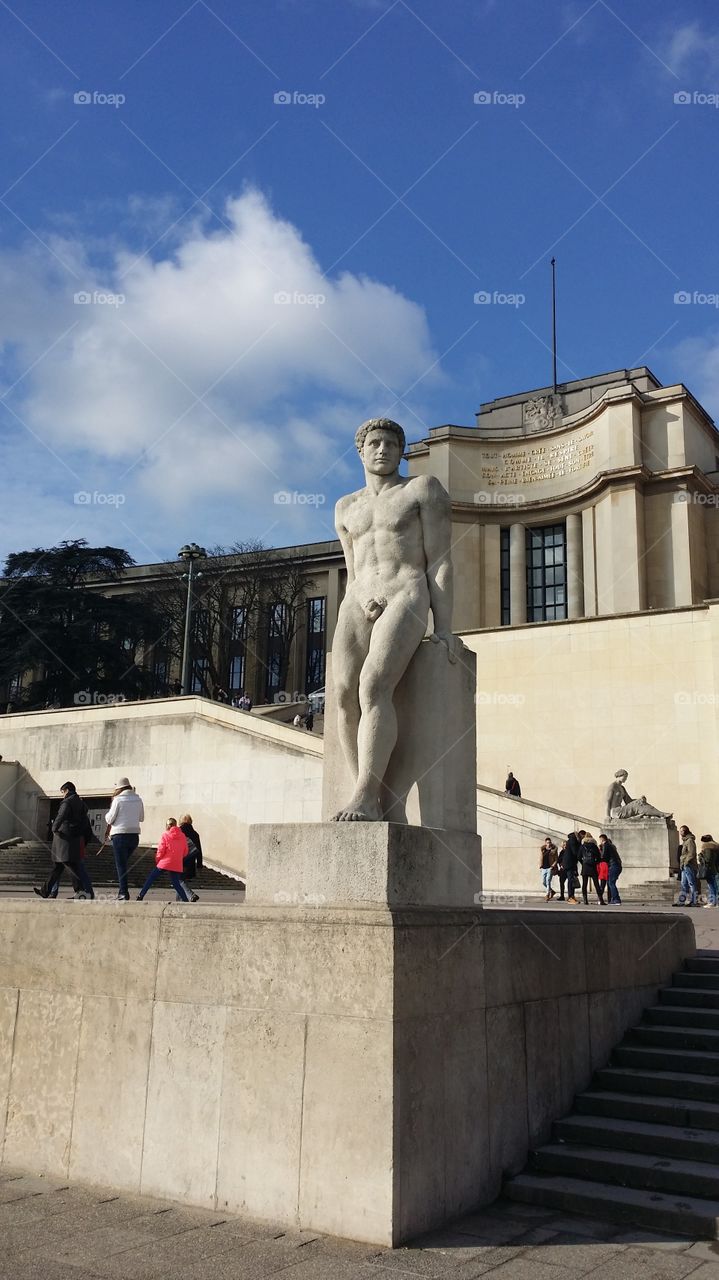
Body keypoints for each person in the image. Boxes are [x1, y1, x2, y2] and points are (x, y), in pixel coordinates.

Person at [331, 417, 464, 822]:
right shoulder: (345, 507)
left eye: (391, 443)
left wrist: (443, 629)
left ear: (402, 450)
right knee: (341, 695)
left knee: (373, 685)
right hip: (358, 599)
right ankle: (366, 792)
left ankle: (367, 796)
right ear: (361, 450)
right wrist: (358, 598)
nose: (383, 449)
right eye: (374, 442)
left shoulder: (422, 489)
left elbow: (440, 560)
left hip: (405, 591)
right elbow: (353, 570)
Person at [34, 782, 95, 900]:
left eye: (62, 792)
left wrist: (54, 828)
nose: (62, 795)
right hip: (75, 837)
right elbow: (85, 821)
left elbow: (61, 816)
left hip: (64, 837)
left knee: (69, 865)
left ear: (66, 790)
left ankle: (80, 892)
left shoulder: (67, 802)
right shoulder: (81, 803)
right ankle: (45, 891)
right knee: (58, 866)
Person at [104, 776, 144, 902]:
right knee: (123, 865)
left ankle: (123, 892)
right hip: (134, 836)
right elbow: (141, 818)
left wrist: (106, 814)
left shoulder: (118, 800)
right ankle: (122, 890)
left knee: (121, 865)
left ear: (119, 788)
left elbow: (110, 819)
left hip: (120, 835)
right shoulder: (138, 799)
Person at [136, 819, 189, 901]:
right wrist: (178, 857)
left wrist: (158, 860)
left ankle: (141, 895)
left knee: (151, 878)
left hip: (165, 862)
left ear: (167, 826)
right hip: (177, 863)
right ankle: (185, 899)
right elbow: (185, 851)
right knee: (176, 884)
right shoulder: (183, 836)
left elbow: (161, 850)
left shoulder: (165, 835)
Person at [177, 813, 202, 903]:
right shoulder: (195, 834)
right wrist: (199, 864)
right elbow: (199, 850)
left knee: (178, 879)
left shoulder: (179, 832)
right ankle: (180, 900)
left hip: (180, 860)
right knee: (181, 879)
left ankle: (191, 895)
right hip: (191, 861)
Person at [580, 832, 604, 904]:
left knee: (584, 884)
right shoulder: (594, 846)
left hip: (585, 866)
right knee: (596, 884)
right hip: (593, 866)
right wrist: (595, 862)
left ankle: (585, 900)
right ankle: (601, 900)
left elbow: (578, 856)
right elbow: (599, 857)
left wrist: (583, 862)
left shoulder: (582, 846)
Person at [678, 825, 699, 907]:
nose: (680, 833)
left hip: (689, 865)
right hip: (684, 865)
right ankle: (682, 901)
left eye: (681, 831)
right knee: (683, 884)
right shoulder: (685, 841)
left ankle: (694, 901)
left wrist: (686, 862)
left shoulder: (689, 840)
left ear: (685, 831)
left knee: (691, 883)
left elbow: (691, 853)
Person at [600, 833, 623, 905]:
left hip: (613, 865)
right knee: (611, 883)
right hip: (617, 865)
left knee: (611, 883)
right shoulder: (611, 845)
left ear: (602, 839)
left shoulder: (606, 845)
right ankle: (614, 899)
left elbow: (604, 857)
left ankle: (616, 899)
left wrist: (598, 859)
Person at [559, 833, 581, 903]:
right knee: (571, 880)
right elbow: (575, 852)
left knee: (572, 880)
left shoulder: (571, 840)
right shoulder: (573, 841)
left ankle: (572, 896)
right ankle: (570, 897)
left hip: (570, 863)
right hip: (570, 864)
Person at [698, 835, 719, 908]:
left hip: (709, 869)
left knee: (711, 886)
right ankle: (716, 902)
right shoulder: (716, 847)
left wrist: (700, 856)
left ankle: (712, 902)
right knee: (715, 886)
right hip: (715, 868)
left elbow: (707, 859)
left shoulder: (707, 847)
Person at [539, 836, 557, 901]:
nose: (548, 844)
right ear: (545, 843)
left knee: (548, 881)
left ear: (551, 843)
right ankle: (552, 891)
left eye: (549, 842)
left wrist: (552, 866)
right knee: (543, 882)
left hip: (550, 867)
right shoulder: (543, 849)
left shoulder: (553, 850)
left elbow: (556, 859)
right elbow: (541, 857)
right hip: (543, 867)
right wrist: (540, 865)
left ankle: (547, 894)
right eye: (547, 843)